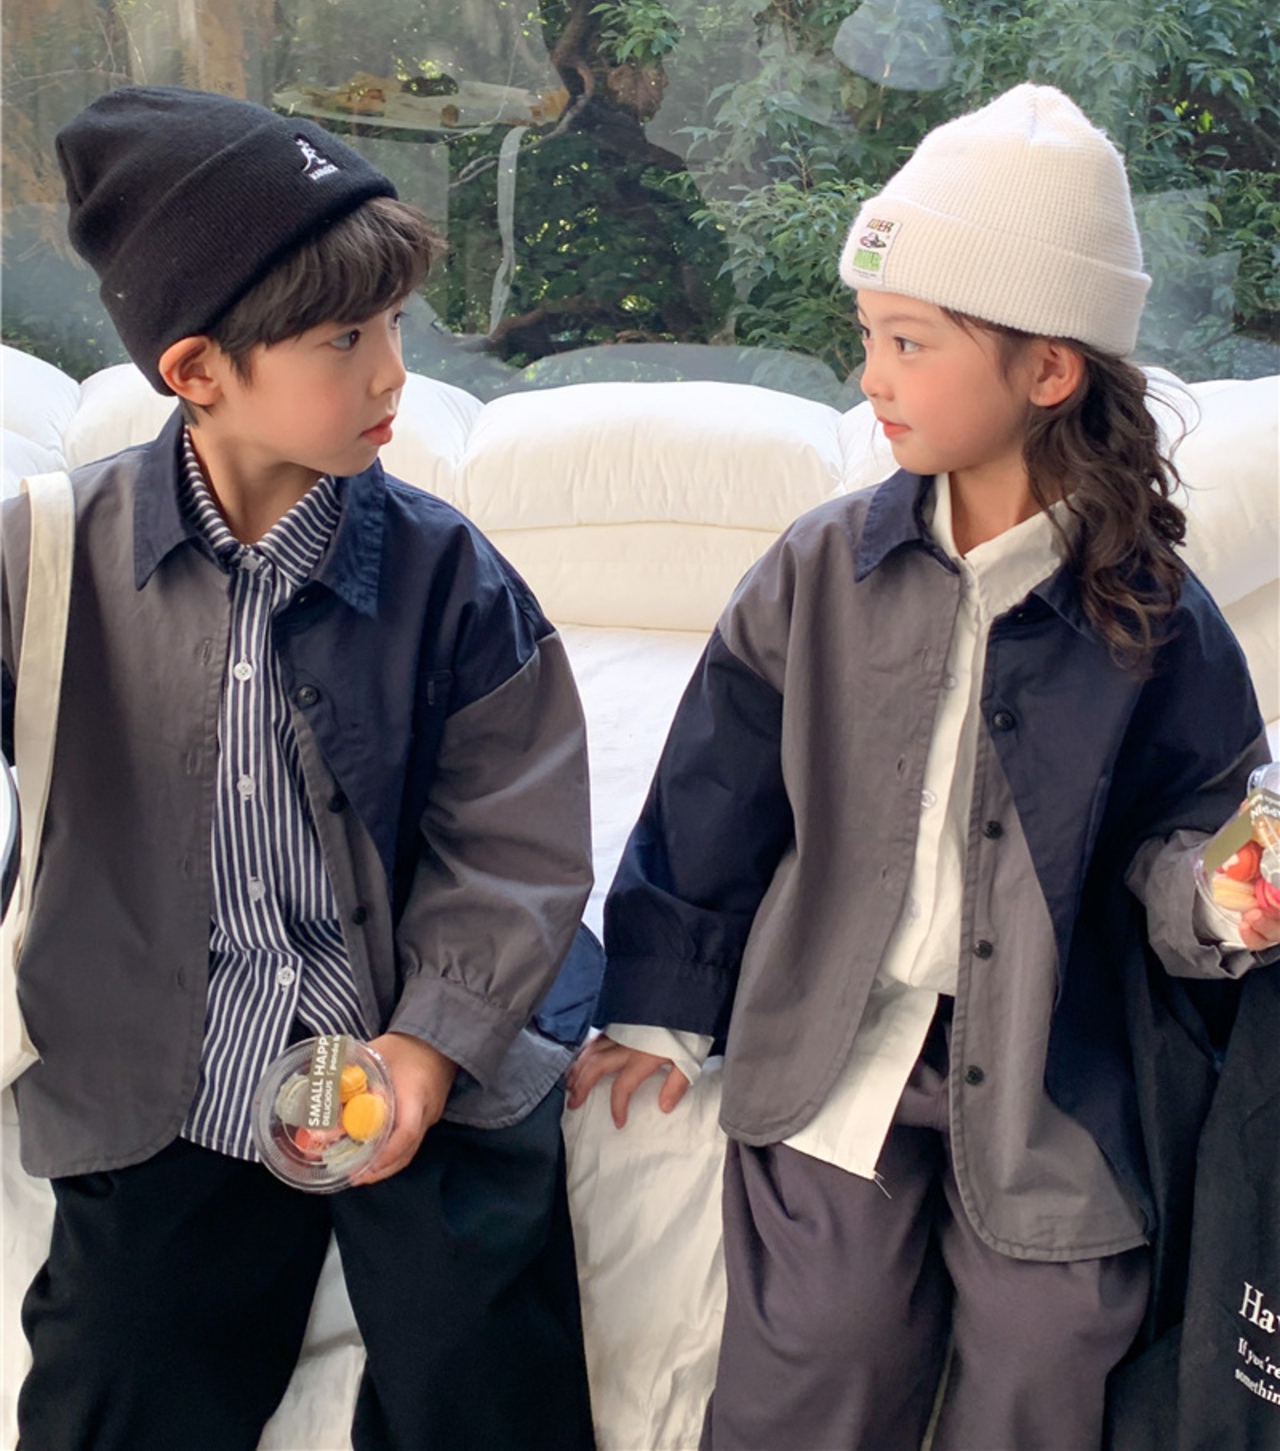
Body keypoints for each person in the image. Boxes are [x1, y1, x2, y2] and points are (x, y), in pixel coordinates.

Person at [567, 83, 1280, 1450]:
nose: (871, 378)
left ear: (1048, 371)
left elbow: (1188, 834)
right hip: (840, 1040)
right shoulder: (818, 571)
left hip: (1054, 1063)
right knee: (820, 1339)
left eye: (907, 342)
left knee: (1058, 1340)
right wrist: (660, 1005)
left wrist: (1223, 899)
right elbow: (714, 794)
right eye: (867, 337)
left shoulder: (1155, 617)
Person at [2, 86, 599, 1451]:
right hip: (168, 1065)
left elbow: (515, 835)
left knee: (482, 1368)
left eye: (392, 325)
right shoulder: (44, 559)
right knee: (115, 1378)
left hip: (405, 1034)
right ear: (197, 369)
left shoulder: (450, 575)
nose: (393, 373)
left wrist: (431, 1047)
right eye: (344, 339)